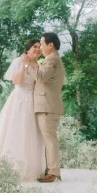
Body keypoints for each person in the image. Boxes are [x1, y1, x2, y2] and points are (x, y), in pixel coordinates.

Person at [0, 39, 45, 182]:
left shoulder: (38, 66)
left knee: (30, 133)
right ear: (28, 49)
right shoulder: (18, 62)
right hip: (18, 100)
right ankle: (10, 167)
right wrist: (24, 64)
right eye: (35, 47)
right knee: (14, 131)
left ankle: (29, 168)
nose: (37, 49)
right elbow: (17, 82)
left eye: (39, 47)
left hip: (32, 101)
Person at [23, 32, 65, 183]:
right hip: (48, 105)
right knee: (49, 138)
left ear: (50, 45)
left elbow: (41, 77)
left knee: (49, 139)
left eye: (41, 44)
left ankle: (53, 172)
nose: (40, 47)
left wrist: (27, 64)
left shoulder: (52, 60)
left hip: (48, 106)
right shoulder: (51, 60)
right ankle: (51, 170)